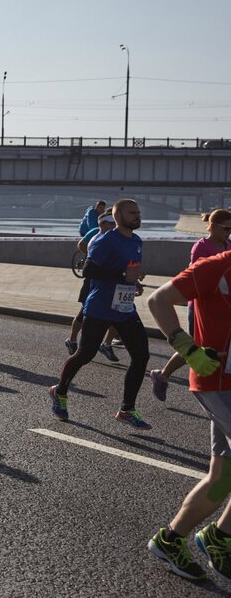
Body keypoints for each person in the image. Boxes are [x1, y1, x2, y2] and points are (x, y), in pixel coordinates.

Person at [144, 246, 231, 581]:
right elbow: (159, 300)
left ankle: (173, 540)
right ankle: (219, 537)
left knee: (223, 477)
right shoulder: (216, 267)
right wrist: (187, 348)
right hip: (217, 381)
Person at [50, 199, 152, 429]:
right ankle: (60, 391)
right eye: (132, 213)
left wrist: (133, 283)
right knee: (86, 354)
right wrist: (123, 273)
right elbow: (89, 270)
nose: (137, 216)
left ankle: (127, 409)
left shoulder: (136, 241)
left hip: (124, 308)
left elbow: (128, 272)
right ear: (118, 216)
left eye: (138, 212)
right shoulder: (105, 240)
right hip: (100, 307)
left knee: (141, 356)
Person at [149, 209, 231, 402]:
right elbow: (197, 279)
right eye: (226, 228)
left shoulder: (228, 245)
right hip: (201, 307)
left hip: (221, 309)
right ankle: (162, 376)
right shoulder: (201, 248)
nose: (229, 232)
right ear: (213, 226)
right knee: (198, 347)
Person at [65, 209, 121, 358]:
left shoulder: (120, 237)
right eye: (111, 223)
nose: (114, 225)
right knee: (84, 313)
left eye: (115, 222)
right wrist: (90, 257)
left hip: (115, 283)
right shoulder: (97, 235)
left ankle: (106, 344)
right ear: (102, 223)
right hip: (94, 282)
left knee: (118, 313)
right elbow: (82, 245)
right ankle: (72, 340)